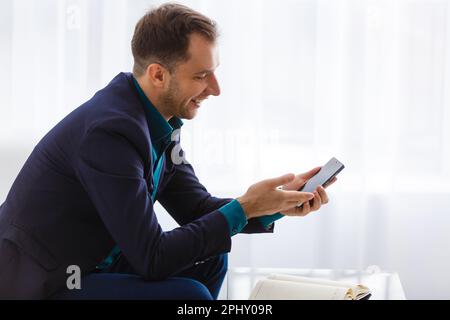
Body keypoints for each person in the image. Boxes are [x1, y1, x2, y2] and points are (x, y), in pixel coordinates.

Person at [0, 3, 335, 300]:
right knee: (188, 294)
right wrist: (245, 207)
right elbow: (152, 256)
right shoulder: (110, 133)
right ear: (158, 74)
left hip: (96, 260)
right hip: (50, 282)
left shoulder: (157, 119)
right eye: (202, 76)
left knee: (211, 255)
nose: (215, 90)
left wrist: (274, 203)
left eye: (214, 73)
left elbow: (197, 209)